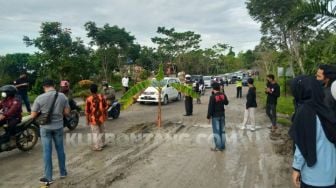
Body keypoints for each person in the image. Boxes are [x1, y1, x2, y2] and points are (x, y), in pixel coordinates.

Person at [289, 76, 336, 188]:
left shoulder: (304, 112)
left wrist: (296, 168)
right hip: (331, 173)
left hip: (313, 176)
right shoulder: (326, 109)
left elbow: (302, 144)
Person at [31, 79, 70, 185]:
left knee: (47, 152)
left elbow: (33, 115)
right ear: (53, 85)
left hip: (45, 128)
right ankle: (63, 172)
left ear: (44, 87)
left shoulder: (39, 98)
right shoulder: (62, 96)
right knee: (60, 149)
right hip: (58, 127)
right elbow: (67, 112)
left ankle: (49, 177)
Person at [207, 82, 229, 151]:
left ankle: (218, 147)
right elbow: (226, 103)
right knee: (222, 131)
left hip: (215, 116)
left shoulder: (212, 97)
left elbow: (210, 108)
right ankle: (222, 146)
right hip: (222, 115)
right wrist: (222, 94)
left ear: (213, 89)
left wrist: (208, 117)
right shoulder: (223, 95)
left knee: (216, 132)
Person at [85, 84, 107, 151]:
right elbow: (105, 106)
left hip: (93, 118)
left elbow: (87, 111)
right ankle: (103, 143)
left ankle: (98, 146)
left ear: (90, 91)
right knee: (102, 130)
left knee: (95, 133)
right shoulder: (101, 97)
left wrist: (87, 120)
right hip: (101, 117)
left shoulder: (89, 99)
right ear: (97, 90)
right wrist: (105, 114)